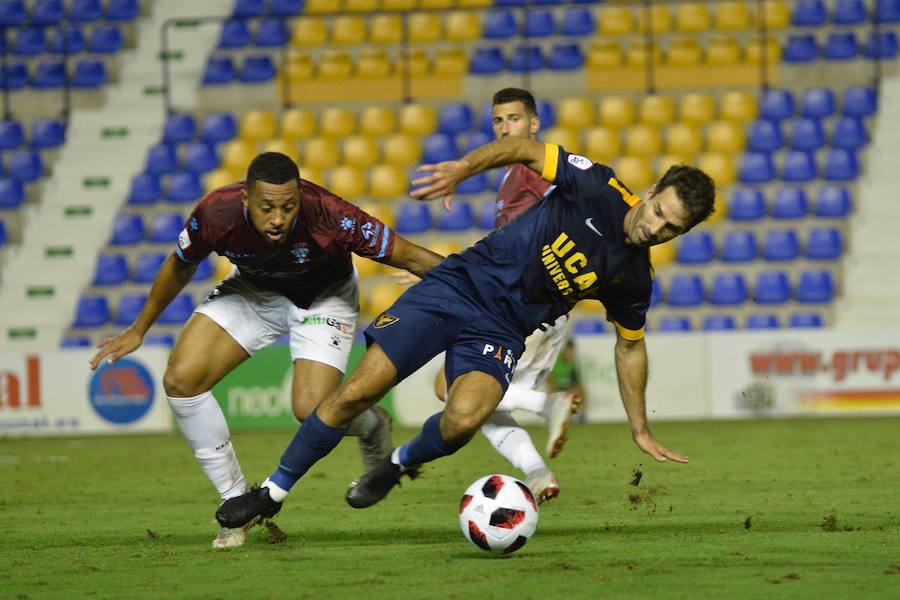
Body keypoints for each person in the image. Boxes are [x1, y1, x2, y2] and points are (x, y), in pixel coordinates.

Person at [215, 135, 716, 530]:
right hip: (457, 287)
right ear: (650, 193)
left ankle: (394, 464)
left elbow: (630, 346)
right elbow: (522, 149)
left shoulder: (634, 278)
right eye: (657, 212)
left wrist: (639, 426)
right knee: (361, 389)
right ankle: (272, 493)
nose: (655, 228)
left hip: (501, 330)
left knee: (462, 420)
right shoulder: (595, 186)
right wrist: (461, 169)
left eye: (670, 228)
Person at [89, 152, 444, 548]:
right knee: (181, 379)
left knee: (311, 410)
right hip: (253, 291)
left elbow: (411, 255)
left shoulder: (328, 213)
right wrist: (140, 328)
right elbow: (179, 264)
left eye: (288, 207)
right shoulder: (215, 213)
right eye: (267, 207)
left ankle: (370, 424)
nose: (278, 218)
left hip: (323, 297)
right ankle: (236, 505)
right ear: (245, 199)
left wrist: (480, 282)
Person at [433, 88, 581, 503]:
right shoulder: (515, 173)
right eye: (498, 121)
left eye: (514, 119)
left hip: (526, 302)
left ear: (534, 124)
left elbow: (544, 234)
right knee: (482, 404)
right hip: (544, 307)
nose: (505, 128)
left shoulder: (536, 171)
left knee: (451, 387)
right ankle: (537, 473)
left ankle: (547, 404)